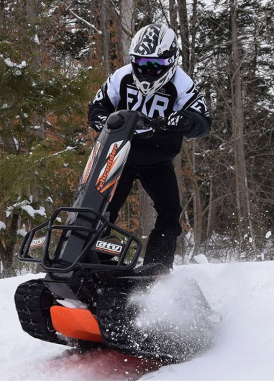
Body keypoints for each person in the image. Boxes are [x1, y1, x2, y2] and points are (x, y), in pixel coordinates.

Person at [87, 23, 212, 270]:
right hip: (118, 153)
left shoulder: (182, 84)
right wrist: (104, 120)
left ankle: (157, 269)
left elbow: (204, 122)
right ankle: (95, 261)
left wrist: (185, 120)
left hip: (158, 159)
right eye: (143, 63)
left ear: (171, 61)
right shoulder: (121, 76)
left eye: (155, 65)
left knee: (170, 212)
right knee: (97, 207)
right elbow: (96, 108)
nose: (148, 70)